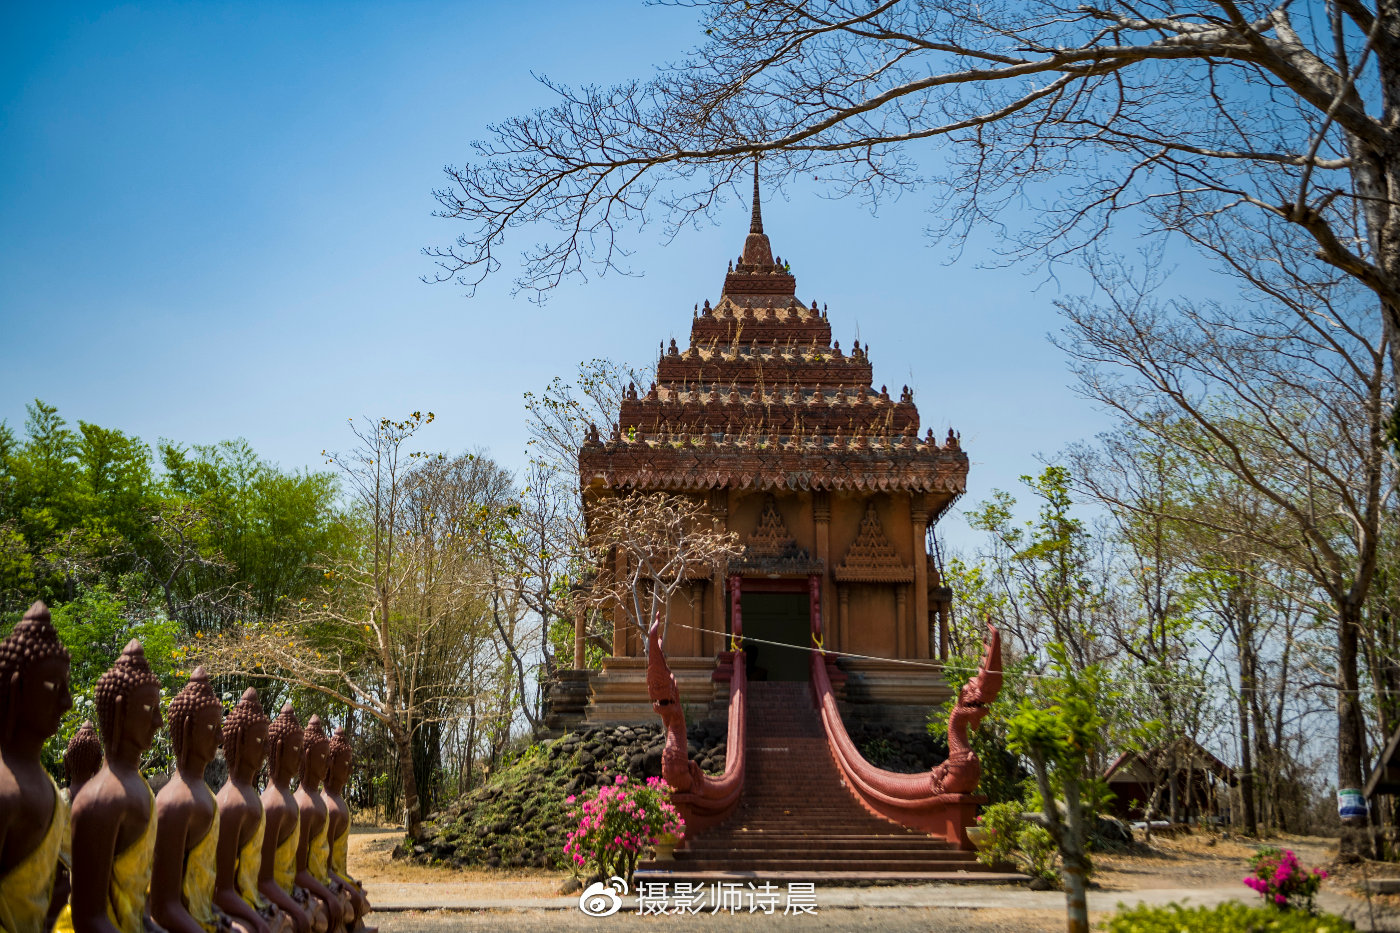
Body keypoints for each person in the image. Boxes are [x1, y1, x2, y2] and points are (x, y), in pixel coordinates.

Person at [71, 640, 163, 933]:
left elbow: (142, 907)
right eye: (150, 709)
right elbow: (88, 917)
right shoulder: (101, 799)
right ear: (122, 711)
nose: (159, 722)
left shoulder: (143, 790)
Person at [0, 601, 73, 933]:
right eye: (52, 686)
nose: (67, 701)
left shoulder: (47, 789)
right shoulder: (5, 791)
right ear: (15, 686)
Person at [151, 668, 231, 933]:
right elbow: (163, 907)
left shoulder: (205, 795)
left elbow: (210, 890)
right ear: (187, 730)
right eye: (212, 727)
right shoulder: (175, 802)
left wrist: (219, 918)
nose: (220, 738)